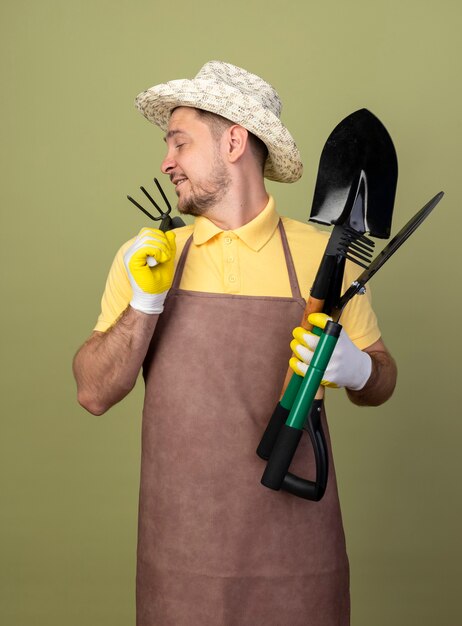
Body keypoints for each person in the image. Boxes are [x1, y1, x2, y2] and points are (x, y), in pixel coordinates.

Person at [73, 61, 397, 626]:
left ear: (233, 141)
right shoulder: (149, 257)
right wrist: (146, 303)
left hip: (299, 553)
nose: (166, 161)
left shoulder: (326, 257)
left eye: (180, 142)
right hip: (181, 559)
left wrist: (357, 371)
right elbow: (94, 391)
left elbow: (383, 381)